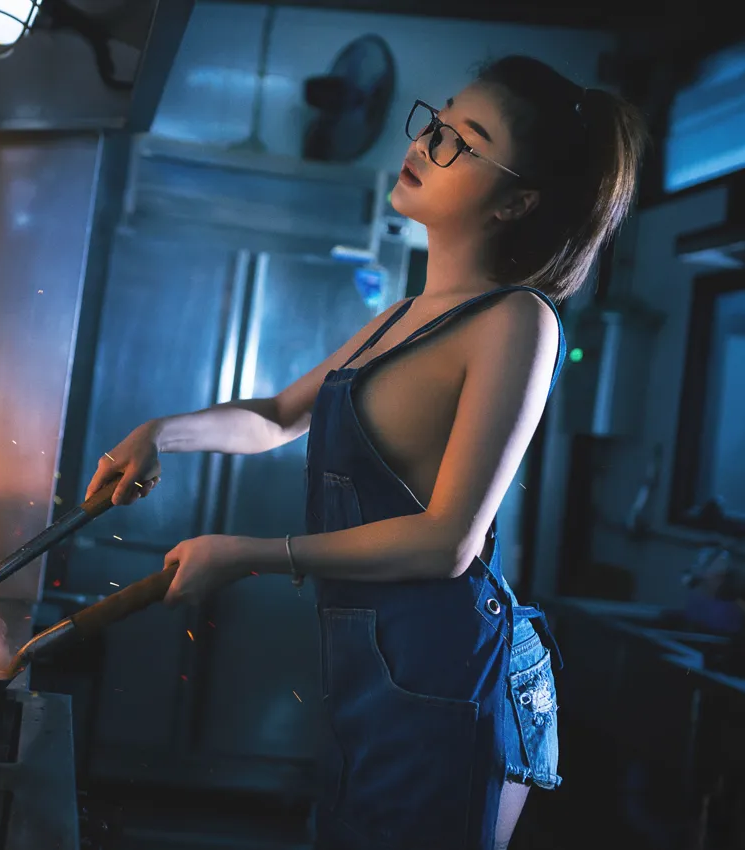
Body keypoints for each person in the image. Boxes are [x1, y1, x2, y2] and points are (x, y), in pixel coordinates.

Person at [85, 55, 646, 850]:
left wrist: (246, 553)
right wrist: (160, 432)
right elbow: (278, 416)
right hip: (377, 669)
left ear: (517, 200)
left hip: (455, 677)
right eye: (438, 121)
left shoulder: (520, 321)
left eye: (464, 140)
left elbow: (448, 540)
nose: (427, 141)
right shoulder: (404, 314)